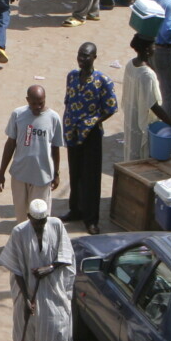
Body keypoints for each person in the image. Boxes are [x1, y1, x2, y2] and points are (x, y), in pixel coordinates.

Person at [1, 198, 74, 341]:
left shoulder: (56, 225)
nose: (40, 227)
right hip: (27, 288)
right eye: (36, 223)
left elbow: (66, 255)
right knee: (28, 329)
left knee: (59, 329)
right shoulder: (19, 232)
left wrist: (49, 268)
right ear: (29, 218)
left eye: (42, 223)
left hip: (53, 288)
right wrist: (25, 298)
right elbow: (15, 268)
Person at [62, 43, 118, 231]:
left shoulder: (103, 81)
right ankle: (75, 209)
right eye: (80, 55)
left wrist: (93, 122)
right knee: (74, 172)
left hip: (91, 135)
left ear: (94, 57)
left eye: (86, 56)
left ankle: (91, 219)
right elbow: (68, 101)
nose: (82, 59)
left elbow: (111, 108)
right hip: (72, 132)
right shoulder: (72, 76)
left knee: (91, 177)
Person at [0, 85, 64, 221]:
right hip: (19, 175)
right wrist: (1, 173)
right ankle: (23, 242)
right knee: (21, 218)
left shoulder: (53, 118)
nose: (38, 107)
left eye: (41, 103)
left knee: (40, 218)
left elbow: (55, 149)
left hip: (42, 177)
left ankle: (39, 243)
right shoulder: (18, 114)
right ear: (27, 100)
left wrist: (56, 174)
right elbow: (10, 144)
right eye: (34, 103)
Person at [124, 35, 171, 161]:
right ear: (147, 50)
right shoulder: (147, 75)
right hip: (142, 124)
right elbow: (153, 105)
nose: (155, 48)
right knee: (141, 155)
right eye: (153, 46)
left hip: (132, 117)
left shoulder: (130, 64)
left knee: (132, 154)